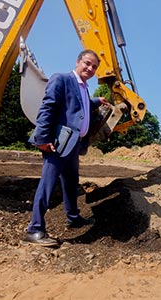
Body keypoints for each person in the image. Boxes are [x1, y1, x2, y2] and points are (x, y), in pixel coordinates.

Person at [23, 49, 109, 246]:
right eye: (87, 63)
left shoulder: (84, 88)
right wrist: (42, 138)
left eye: (94, 67)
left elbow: (81, 104)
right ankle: (34, 230)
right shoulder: (61, 79)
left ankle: (73, 217)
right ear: (78, 61)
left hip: (74, 145)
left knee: (71, 183)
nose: (90, 68)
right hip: (57, 143)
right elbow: (48, 107)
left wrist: (98, 101)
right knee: (47, 184)